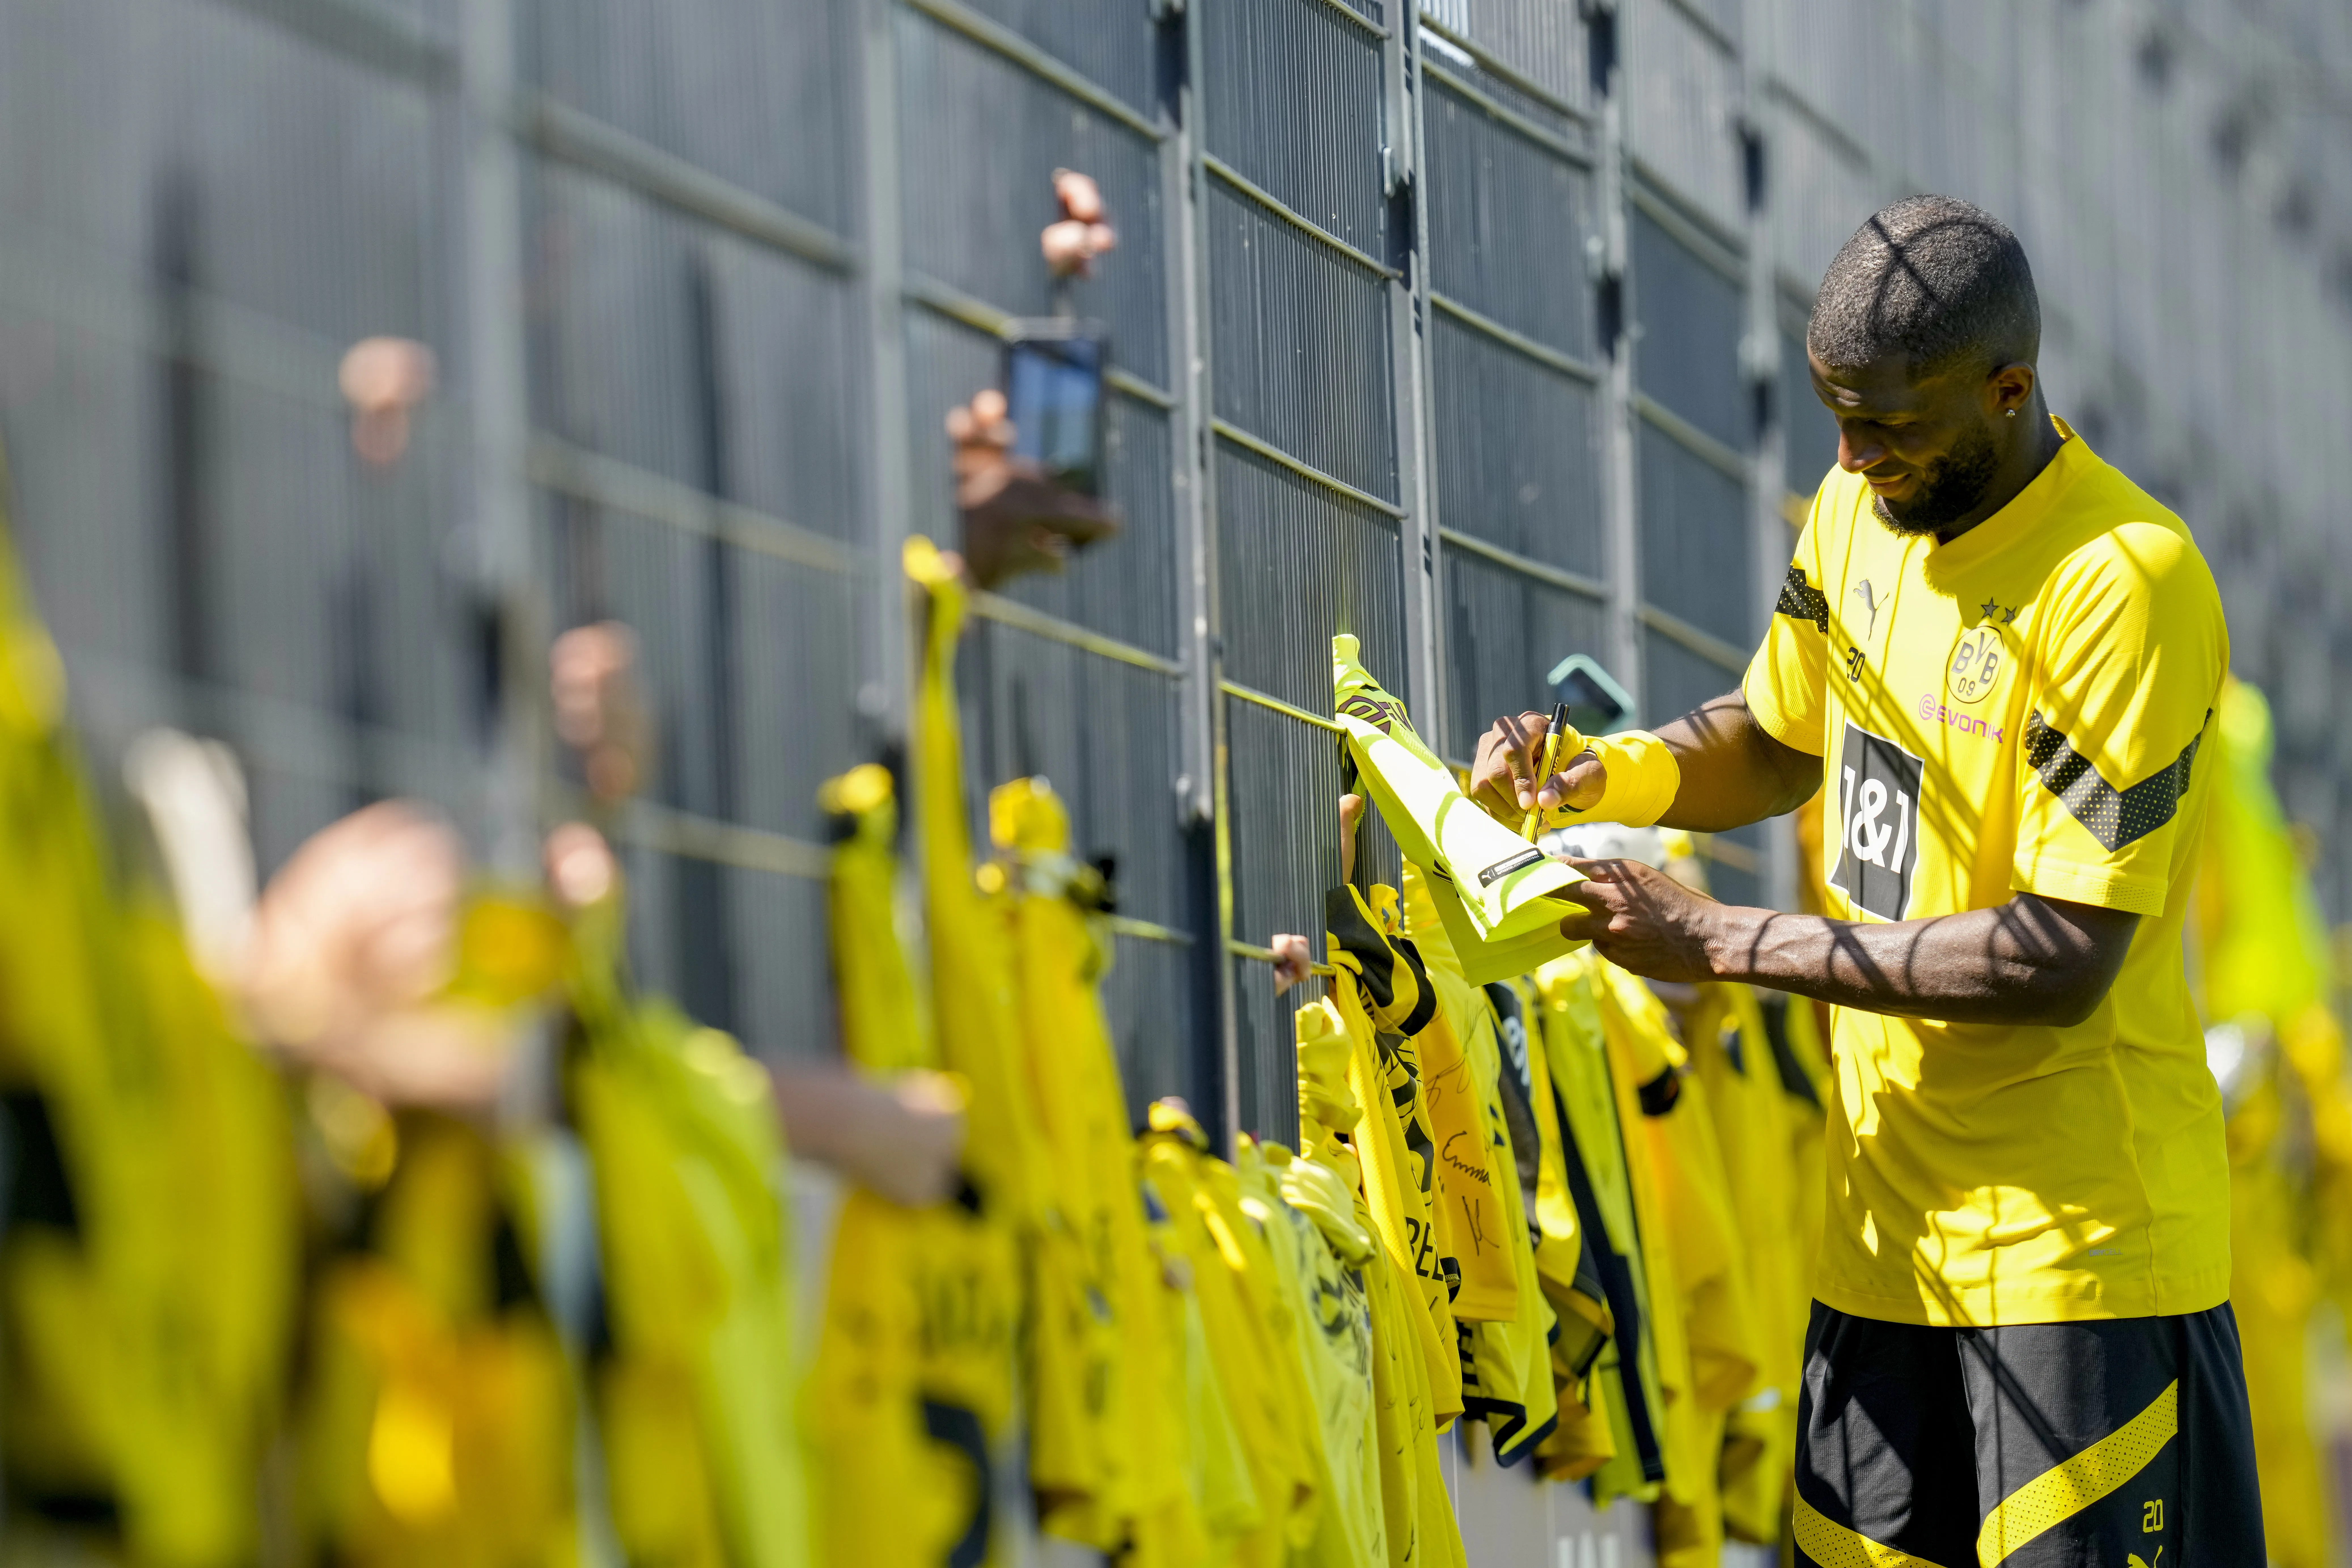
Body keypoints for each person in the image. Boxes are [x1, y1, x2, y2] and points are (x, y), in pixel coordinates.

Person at [1469, 195, 2262, 1564]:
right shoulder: (1855, 510)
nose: (1852, 451)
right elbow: (1779, 738)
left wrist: (1724, 941)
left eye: (1889, 422)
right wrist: (1607, 774)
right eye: (1839, 415)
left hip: (2079, 1268)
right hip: (1878, 1250)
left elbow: (2056, 958)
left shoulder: (2120, 582)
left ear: (2008, 391)